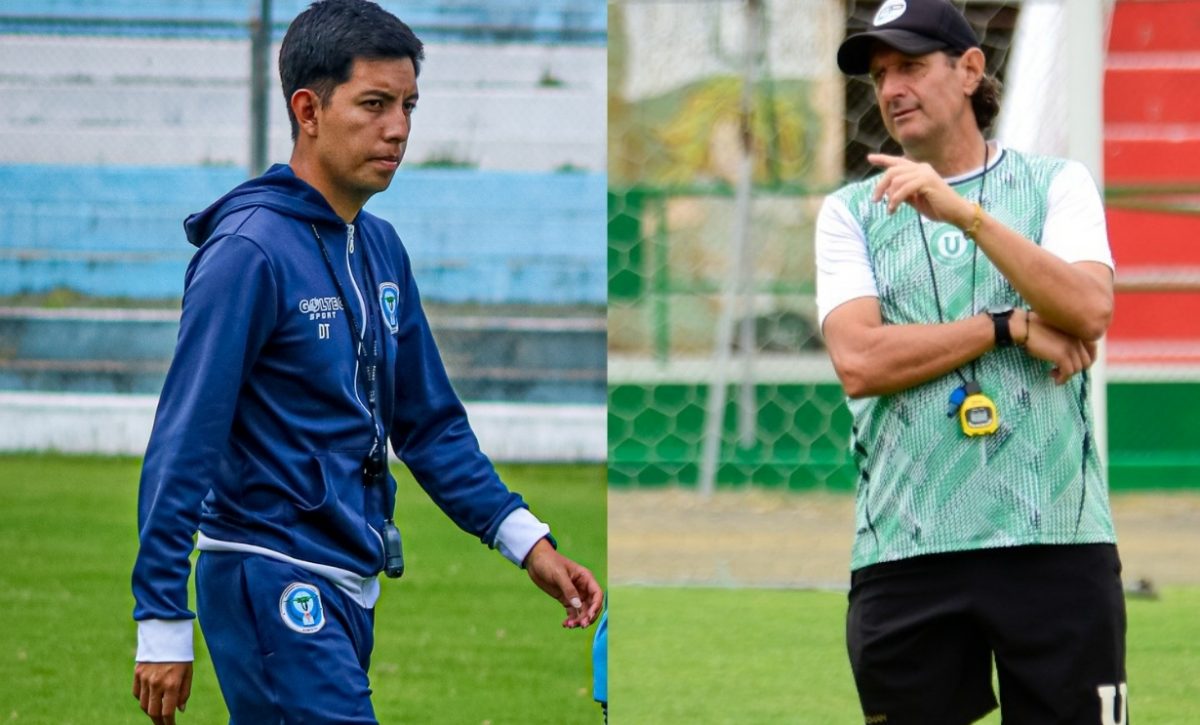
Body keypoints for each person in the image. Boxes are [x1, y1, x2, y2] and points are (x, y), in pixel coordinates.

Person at [130, 1, 602, 722]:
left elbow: (430, 425)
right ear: (308, 110)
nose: (399, 129)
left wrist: (527, 539)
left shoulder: (379, 247)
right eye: (375, 104)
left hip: (349, 580)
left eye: (409, 105)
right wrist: (162, 617)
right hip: (270, 571)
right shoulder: (248, 253)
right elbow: (184, 438)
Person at [816, 0, 1126, 722]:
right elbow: (860, 359)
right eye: (880, 73)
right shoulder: (849, 214)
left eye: (912, 66)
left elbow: (1088, 310)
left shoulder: (1057, 184)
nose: (891, 87)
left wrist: (967, 216)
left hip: (1056, 539)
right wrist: (1009, 325)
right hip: (906, 547)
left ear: (970, 71)